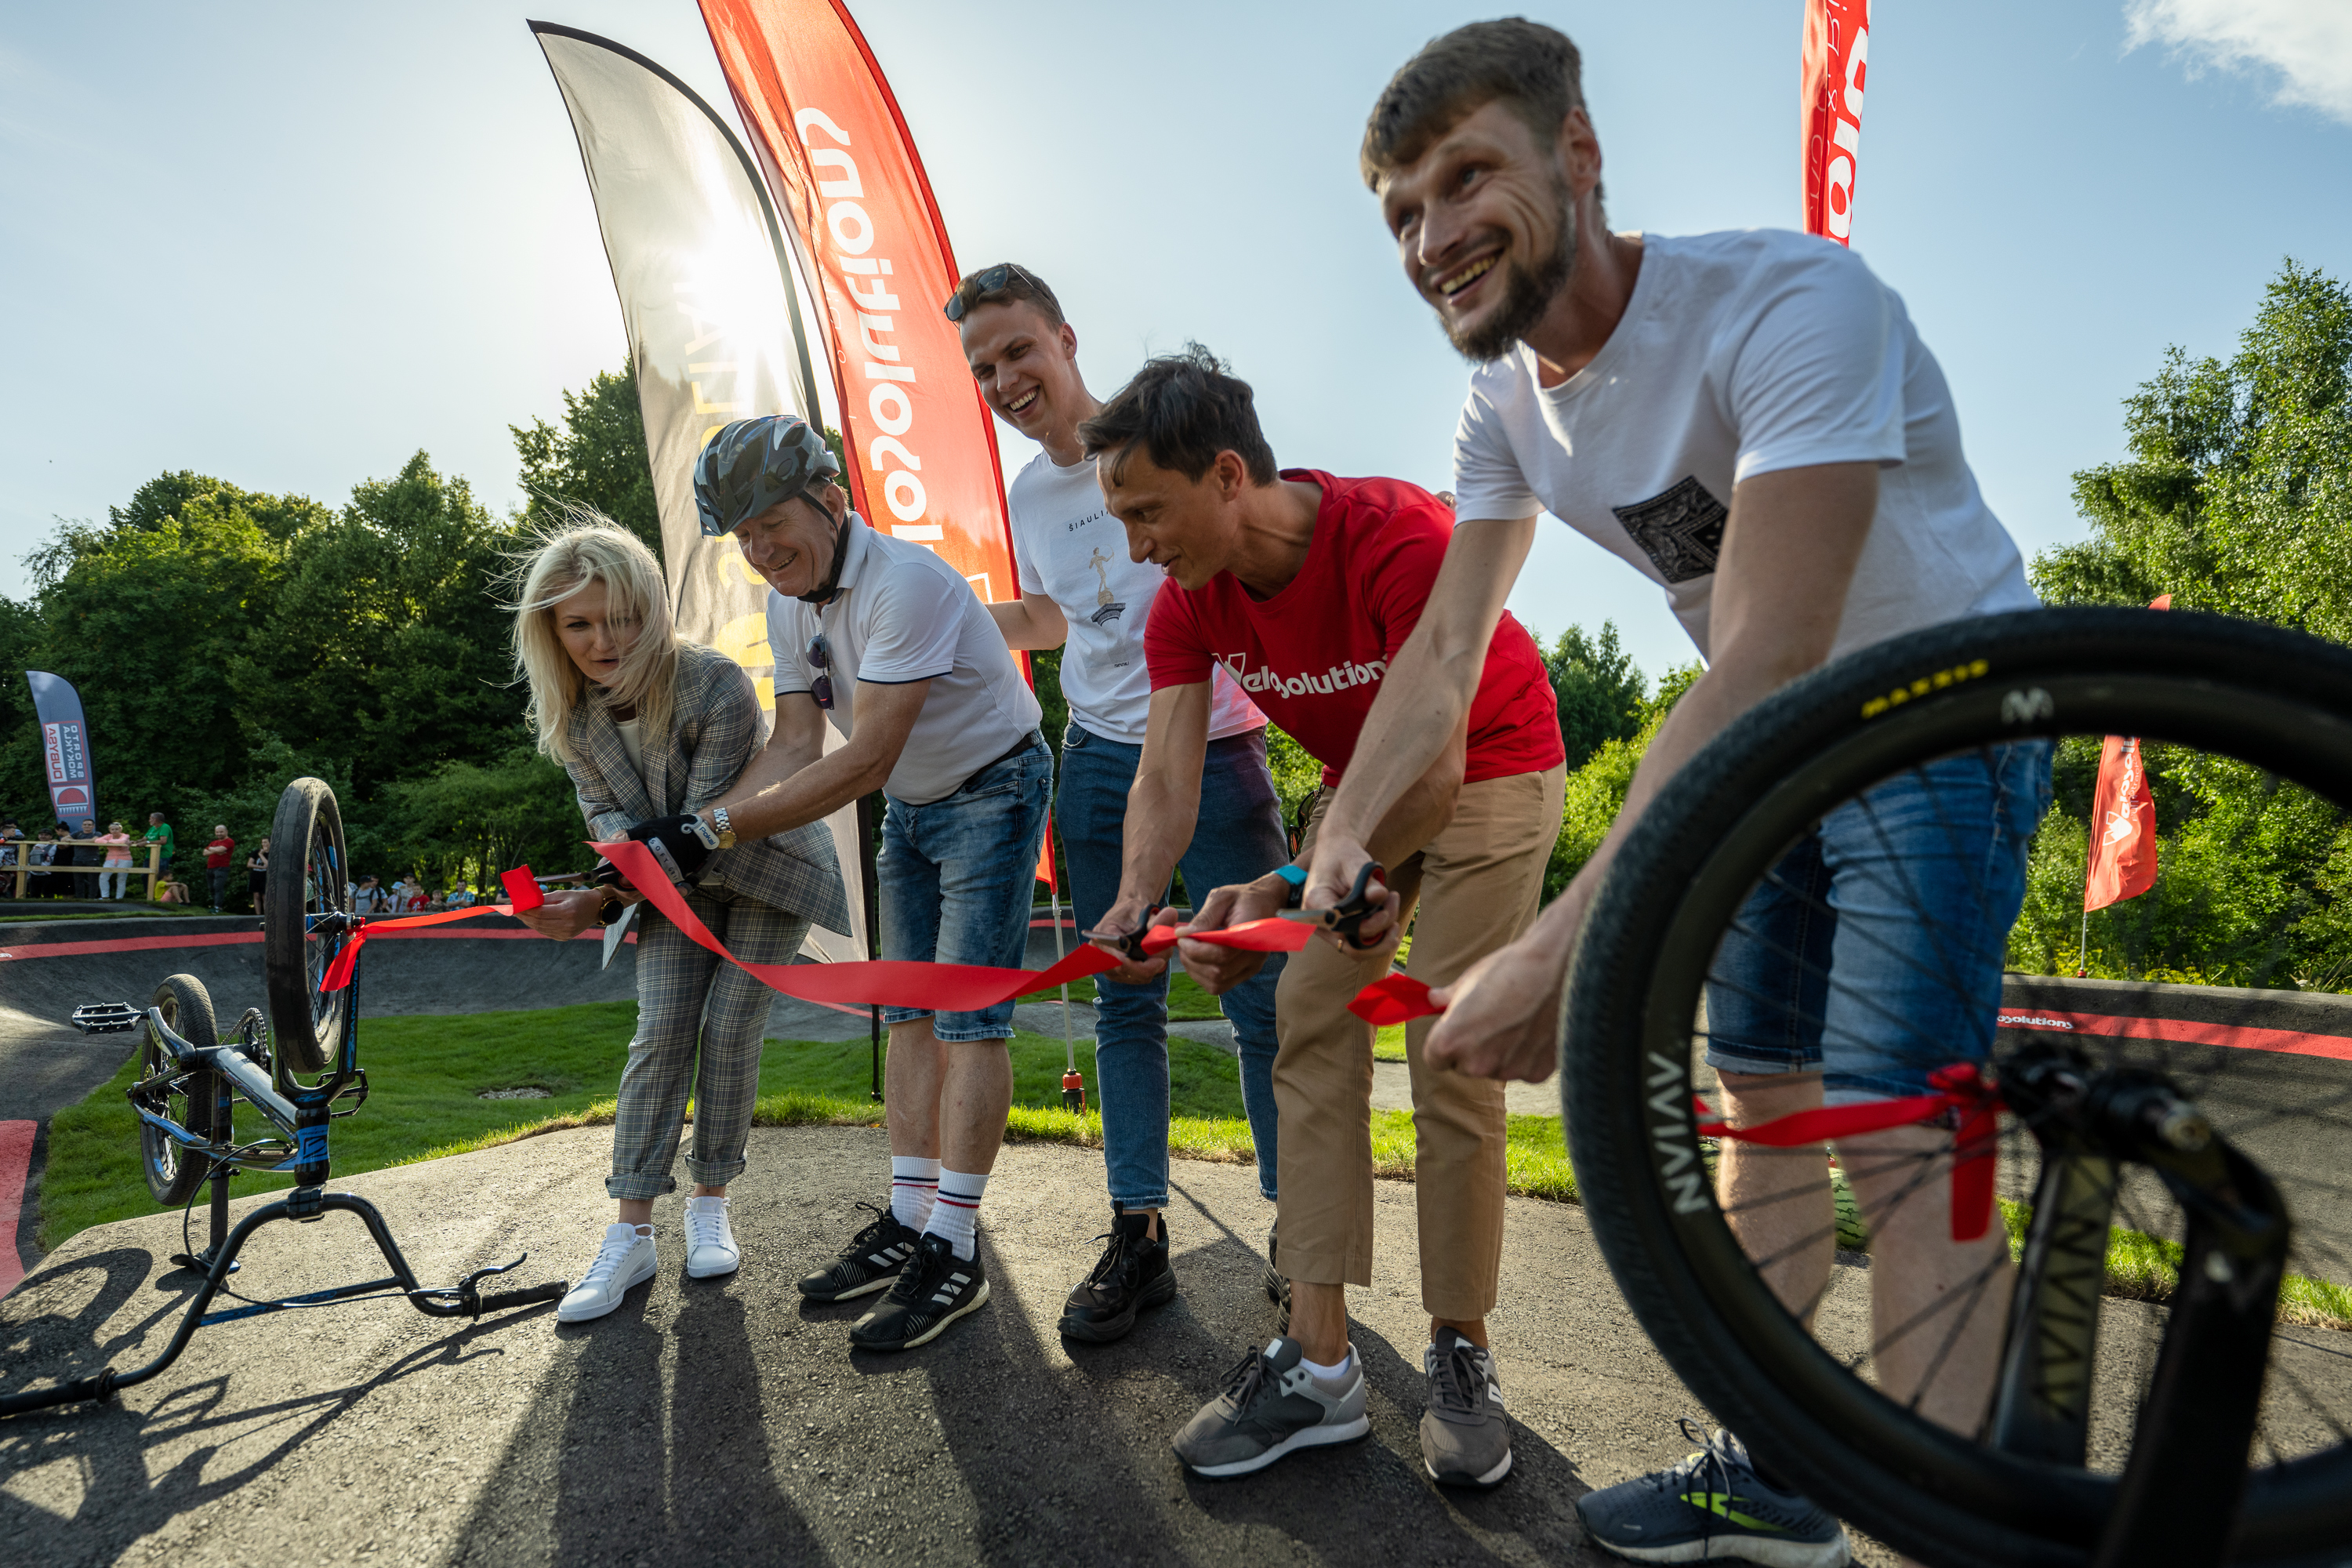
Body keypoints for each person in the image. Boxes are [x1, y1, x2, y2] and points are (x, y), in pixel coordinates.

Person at [1318, 22, 2048, 1562]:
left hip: (1936, 715)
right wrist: (1341, 838)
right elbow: (1446, 647)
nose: (1433, 235)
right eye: (1400, 210)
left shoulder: (1791, 302)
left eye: (1466, 177)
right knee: (1763, 1099)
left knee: (1892, 1119)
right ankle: (1778, 1477)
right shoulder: (1506, 398)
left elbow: (1772, 642)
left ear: (1579, 156)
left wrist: (1564, 945)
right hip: (1770, 747)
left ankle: (1960, 1532)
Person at [1075, 348, 1566, 1485]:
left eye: (1149, 511)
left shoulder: (1399, 539)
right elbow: (1165, 769)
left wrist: (1296, 887)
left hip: (1492, 771)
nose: (1138, 544)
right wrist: (1140, 902)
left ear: (1231, 474)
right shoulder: (1185, 605)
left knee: (1448, 1046)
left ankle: (1460, 1350)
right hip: (1364, 805)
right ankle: (1322, 1360)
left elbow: (1435, 770)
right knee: (1307, 1008)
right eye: (1123, 517)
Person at [953, 263, 1291, 1343]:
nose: (1006, 379)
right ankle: (1138, 1234)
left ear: (1064, 338)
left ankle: (1300, 1228)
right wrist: (951, 623)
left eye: (1019, 351)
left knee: (1260, 997)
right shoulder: (1028, 495)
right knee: (1124, 998)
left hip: (1222, 742)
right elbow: (1061, 620)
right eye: (983, 367)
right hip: (1097, 752)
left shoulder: (1161, 438)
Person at [662, 414, 1048, 1354]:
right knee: (905, 1017)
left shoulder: (905, 583)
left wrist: (713, 827)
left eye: (770, 524)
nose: (759, 551)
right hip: (915, 807)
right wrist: (688, 823)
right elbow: (794, 743)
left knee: (968, 1018)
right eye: (742, 536)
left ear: (832, 500)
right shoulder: (790, 604)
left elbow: (866, 756)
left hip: (993, 786)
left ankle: (956, 1248)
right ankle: (914, 1221)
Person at [507, 517, 850, 1324]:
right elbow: (614, 827)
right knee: (661, 1031)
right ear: (552, 631)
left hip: (763, 871)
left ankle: (709, 1200)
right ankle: (630, 1232)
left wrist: (595, 901)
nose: (603, 639)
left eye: (620, 615)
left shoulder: (714, 681)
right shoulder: (573, 719)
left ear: (653, 608)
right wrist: (585, 896)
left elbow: (702, 826)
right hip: (662, 888)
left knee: (729, 1027)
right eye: (579, 623)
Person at [99, 821, 135, 900]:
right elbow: (98, 840)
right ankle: (105, 897)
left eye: (117, 829)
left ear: (120, 830)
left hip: (125, 859)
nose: (115, 831)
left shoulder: (125, 836)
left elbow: (121, 841)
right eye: (113, 829)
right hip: (110, 859)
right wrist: (109, 842)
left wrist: (108, 843)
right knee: (103, 877)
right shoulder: (108, 836)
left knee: (121, 878)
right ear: (110, 830)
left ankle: (119, 899)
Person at [204, 826, 236, 913]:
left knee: (218, 887)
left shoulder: (229, 841)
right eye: (217, 832)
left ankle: (218, 907)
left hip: (222, 868)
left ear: (226, 832)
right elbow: (205, 852)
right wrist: (216, 850)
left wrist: (211, 849)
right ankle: (215, 906)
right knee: (211, 888)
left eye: (221, 832)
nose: (219, 834)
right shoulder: (214, 842)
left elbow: (222, 849)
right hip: (210, 868)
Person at [143, 812, 174, 884]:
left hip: (162, 855)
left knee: (160, 876)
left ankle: (159, 894)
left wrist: (147, 842)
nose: (149, 820)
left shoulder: (165, 827)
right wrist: (133, 842)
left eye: (151, 819)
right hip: (150, 855)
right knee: (144, 875)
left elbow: (163, 841)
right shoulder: (152, 828)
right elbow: (144, 839)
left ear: (156, 820)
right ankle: (148, 894)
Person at [247, 840, 268, 909]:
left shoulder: (272, 853)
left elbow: (268, 864)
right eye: (262, 842)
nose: (263, 844)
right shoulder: (256, 852)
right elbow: (249, 864)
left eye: (266, 842)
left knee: (265, 896)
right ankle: (258, 915)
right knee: (256, 895)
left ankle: (266, 914)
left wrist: (261, 855)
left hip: (265, 876)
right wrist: (261, 867)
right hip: (255, 875)